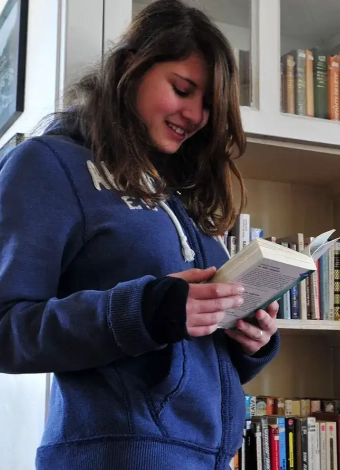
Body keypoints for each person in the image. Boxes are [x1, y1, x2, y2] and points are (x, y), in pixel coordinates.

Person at [0, 1, 280, 468]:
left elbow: (183, 353)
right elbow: (7, 329)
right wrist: (148, 310)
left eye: (209, 106)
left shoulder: (175, 194)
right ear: (132, 67)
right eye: (183, 89)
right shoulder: (48, 164)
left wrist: (250, 339)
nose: (195, 115)